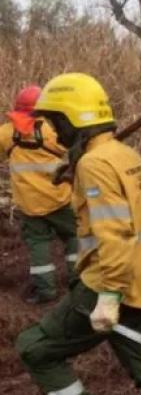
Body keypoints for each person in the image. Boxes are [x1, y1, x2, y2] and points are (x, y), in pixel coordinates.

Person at [15, 73, 141, 395]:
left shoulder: (95, 165)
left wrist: (109, 296)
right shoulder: (123, 155)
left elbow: (115, 232)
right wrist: (76, 171)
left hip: (105, 284)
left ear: (72, 119)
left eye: (56, 121)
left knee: (34, 349)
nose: (54, 132)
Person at [0, 84, 77, 304]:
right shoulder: (52, 131)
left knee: (38, 245)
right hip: (59, 199)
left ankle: (45, 291)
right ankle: (78, 281)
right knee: (74, 236)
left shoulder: (6, 133)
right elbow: (72, 150)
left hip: (29, 204)